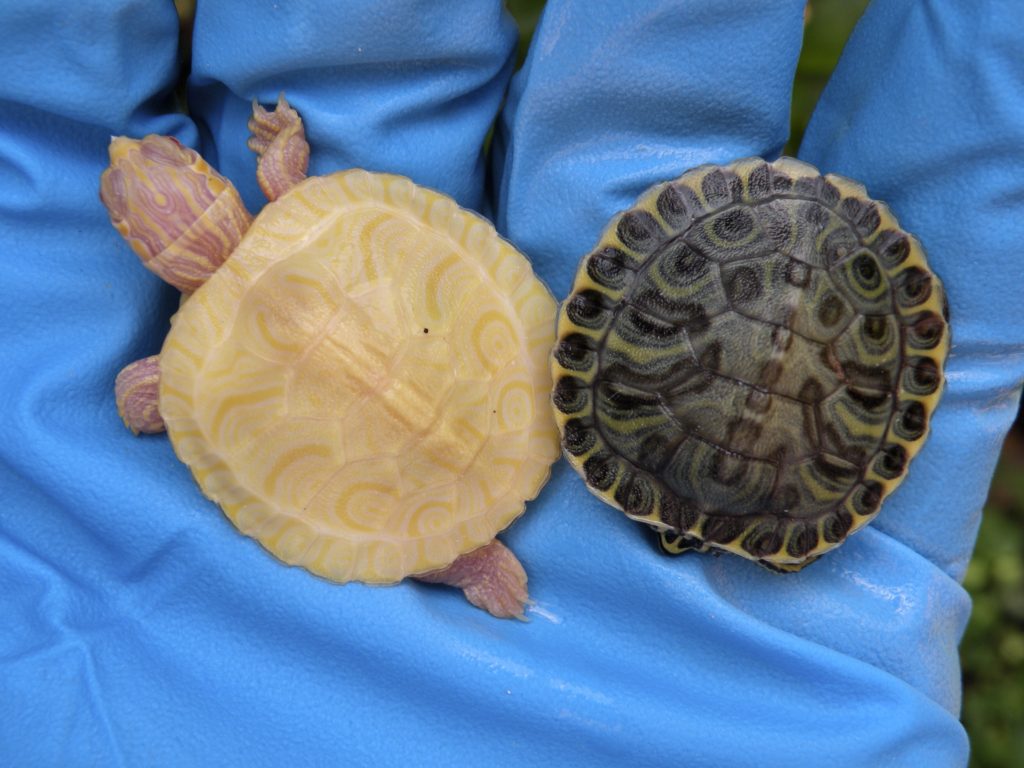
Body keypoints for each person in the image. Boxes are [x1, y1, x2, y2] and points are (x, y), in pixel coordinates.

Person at [1, 1, 1019, 764]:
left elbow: (149, 401)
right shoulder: (298, 201)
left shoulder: (183, 371)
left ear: (138, 246)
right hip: (526, 385)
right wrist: (280, 146)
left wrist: (157, 395)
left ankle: (468, 558)